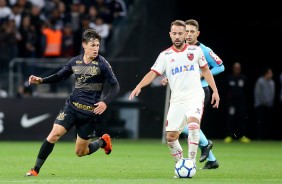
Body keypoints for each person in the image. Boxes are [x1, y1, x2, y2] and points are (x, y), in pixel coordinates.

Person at [128, 20, 220, 175]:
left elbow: (206, 70)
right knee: (171, 137)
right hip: (177, 99)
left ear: (185, 34)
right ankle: (181, 166)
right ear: (170, 35)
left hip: (194, 95)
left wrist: (215, 91)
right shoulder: (165, 55)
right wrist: (139, 86)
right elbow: (153, 73)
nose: (177, 36)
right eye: (174, 33)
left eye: (180, 33)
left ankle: (191, 162)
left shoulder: (195, 51)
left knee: (192, 125)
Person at [25, 29, 120, 176]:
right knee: (54, 134)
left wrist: (105, 102)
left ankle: (103, 142)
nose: (96, 48)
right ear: (84, 45)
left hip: (89, 113)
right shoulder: (75, 61)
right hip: (72, 107)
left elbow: (115, 86)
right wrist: (42, 81)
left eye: (97, 45)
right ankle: (35, 169)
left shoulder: (102, 64)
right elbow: (60, 76)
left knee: (80, 152)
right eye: (93, 45)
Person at [161, 19, 223, 169]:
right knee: (187, 126)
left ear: (197, 33)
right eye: (186, 31)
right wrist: (168, 77)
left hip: (200, 90)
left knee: (189, 125)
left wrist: (201, 74)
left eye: (191, 31)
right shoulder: (183, 49)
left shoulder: (203, 49)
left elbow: (220, 66)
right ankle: (212, 158)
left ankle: (205, 144)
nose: (188, 34)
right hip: (184, 92)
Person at [224, 62, 251, 143]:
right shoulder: (229, 78)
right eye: (235, 68)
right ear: (233, 69)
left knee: (242, 118)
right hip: (231, 103)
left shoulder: (243, 78)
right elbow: (225, 90)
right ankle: (229, 136)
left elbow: (247, 90)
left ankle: (242, 136)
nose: (237, 69)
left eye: (238, 68)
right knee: (230, 119)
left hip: (241, 103)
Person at [254, 67, 275, 140]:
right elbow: (258, 93)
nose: (271, 74)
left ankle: (267, 137)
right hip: (260, 105)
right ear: (266, 73)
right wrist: (264, 101)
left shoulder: (272, 82)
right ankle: (259, 136)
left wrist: (268, 102)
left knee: (268, 122)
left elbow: (272, 94)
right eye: (270, 73)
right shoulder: (260, 81)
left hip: (269, 105)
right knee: (260, 122)